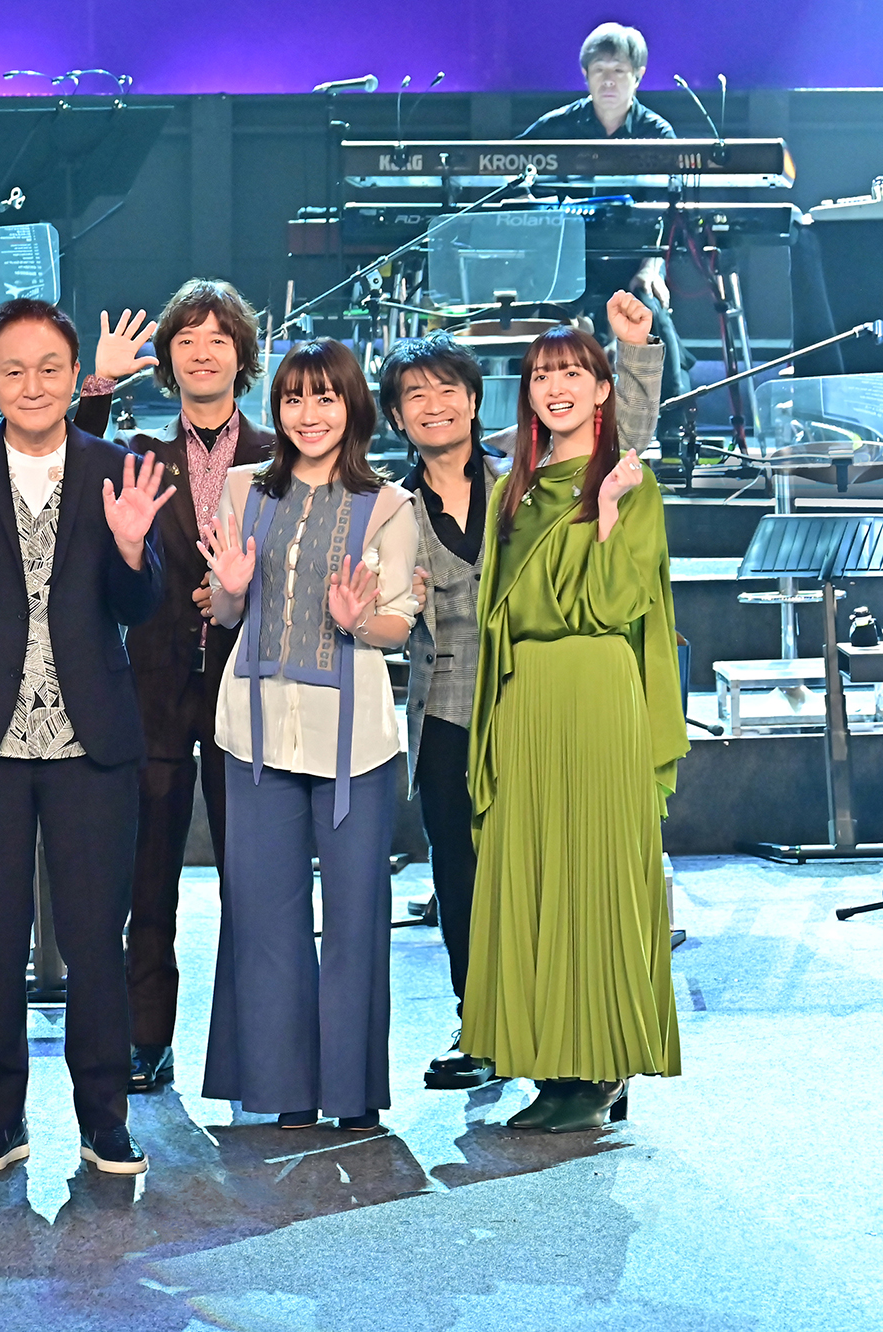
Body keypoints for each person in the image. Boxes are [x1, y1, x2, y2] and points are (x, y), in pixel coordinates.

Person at [0, 298, 172, 1176]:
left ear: (73, 374)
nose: (32, 384)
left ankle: (105, 1121)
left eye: (50, 368)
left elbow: (140, 605)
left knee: (95, 941)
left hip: (93, 743)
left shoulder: (116, 468)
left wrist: (132, 550)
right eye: (12, 370)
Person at [382, 296, 664, 1093]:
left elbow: (618, 444)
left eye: (448, 390)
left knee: (542, 868)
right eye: (415, 396)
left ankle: (565, 1034)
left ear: (476, 401)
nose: (434, 405)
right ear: (397, 418)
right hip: (444, 710)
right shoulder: (389, 509)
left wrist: (634, 351)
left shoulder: (527, 482)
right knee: (460, 872)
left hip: (529, 699)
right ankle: (480, 1025)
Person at [463, 318, 685, 1133]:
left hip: (596, 690)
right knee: (536, 871)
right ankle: (554, 1064)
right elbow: (496, 611)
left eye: (572, 374)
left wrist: (611, 509)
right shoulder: (511, 492)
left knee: (595, 869)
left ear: (601, 390)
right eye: (540, 375)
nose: (554, 388)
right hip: (526, 696)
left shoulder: (630, 482)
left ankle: (600, 1067)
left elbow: (615, 601)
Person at [200, 338, 419, 1133]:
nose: (309, 413)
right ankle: (284, 1083)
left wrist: (362, 621)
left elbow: (400, 623)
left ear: (352, 407)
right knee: (264, 914)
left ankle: (353, 1093)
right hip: (254, 731)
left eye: (325, 397)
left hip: (354, 740)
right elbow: (229, 611)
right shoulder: (242, 489)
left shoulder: (390, 506)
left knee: (357, 914)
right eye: (294, 398)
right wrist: (228, 591)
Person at [71, 282, 275, 1096]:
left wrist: (236, 592)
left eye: (219, 338)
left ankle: (260, 1042)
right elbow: (67, 476)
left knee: (253, 876)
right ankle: (146, 1038)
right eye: (186, 338)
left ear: (242, 355)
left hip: (248, 683)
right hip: (152, 689)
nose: (202, 352)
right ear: (166, 358)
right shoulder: (136, 452)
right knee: (148, 878)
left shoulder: (278, 451)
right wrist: (97, 387)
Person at [518, 22, 692, 442]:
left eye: (619, 71)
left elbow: (668, 212)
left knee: (654, 318)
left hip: (632, 264)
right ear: (586, 76)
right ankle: (538, 438)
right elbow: (509, 176)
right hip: (568, 265)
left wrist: (651, 268)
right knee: (551, 332)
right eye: (599, 70)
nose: (609, 80)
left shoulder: (657, 133)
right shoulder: (556, 127)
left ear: (638, 76)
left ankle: (673, 433)